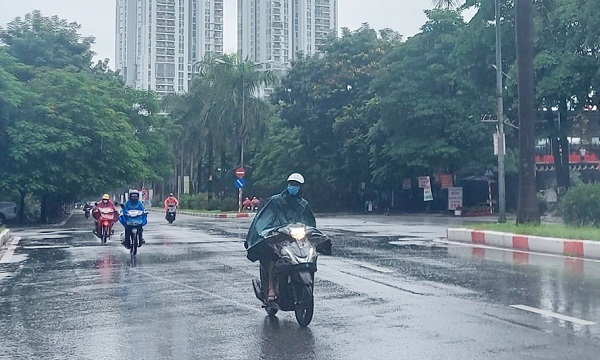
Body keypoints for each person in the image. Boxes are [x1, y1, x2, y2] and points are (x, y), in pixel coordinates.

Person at [244, 173, 316, 301]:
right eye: (292, 184)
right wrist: (268, 231)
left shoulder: (304, 204)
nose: (294, 187)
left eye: (297, 185)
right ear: (287, 185)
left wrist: (311, 232)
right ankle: (271, 287)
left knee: (311, 254)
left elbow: (310, 222)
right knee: (273, 258)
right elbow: (265, 218)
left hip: (297, 239)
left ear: (300, 187)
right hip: (279, 237)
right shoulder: (275, 201)